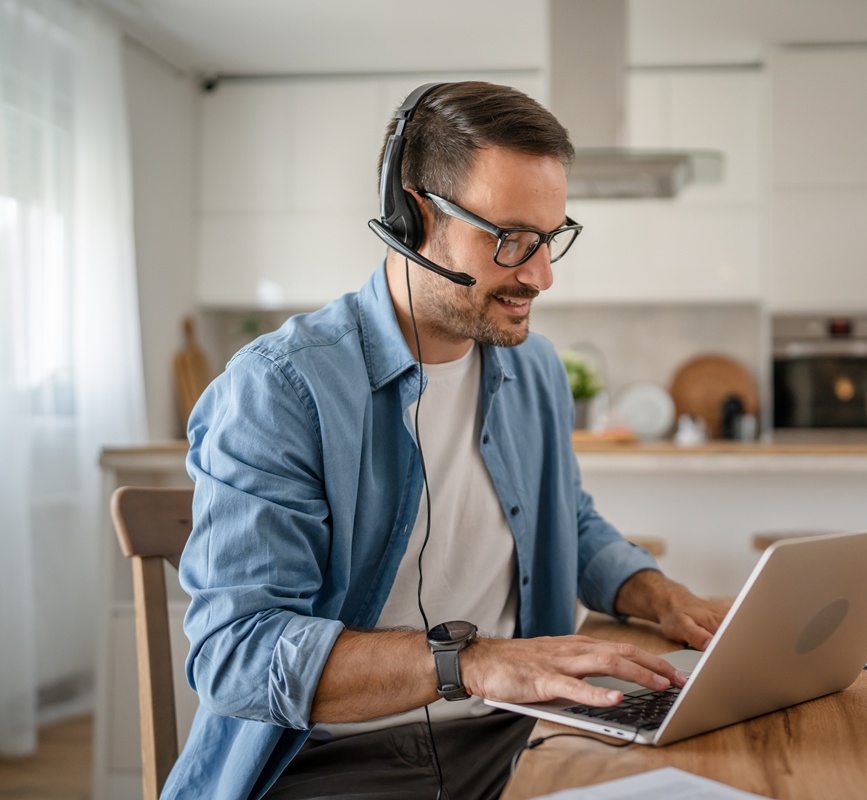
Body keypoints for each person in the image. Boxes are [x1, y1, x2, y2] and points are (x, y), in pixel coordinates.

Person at [169, 81, 729, 800]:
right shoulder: (281, 390)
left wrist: (660, 595)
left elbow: (567, 519)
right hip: (332, 767)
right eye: (512, 240)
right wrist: (473, 663)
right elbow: (236, 656)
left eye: (550, 239)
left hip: (519, 735)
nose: (541, 275)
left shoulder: (535, 370)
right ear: (416, 215)